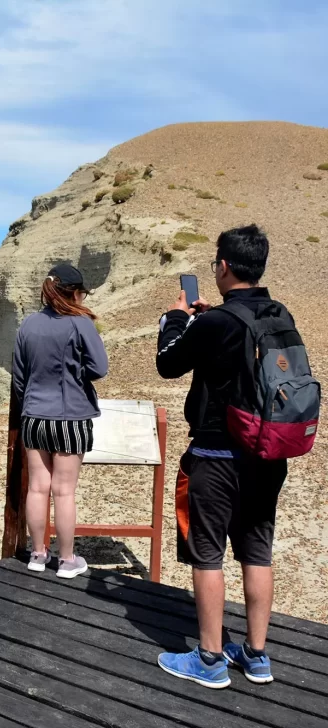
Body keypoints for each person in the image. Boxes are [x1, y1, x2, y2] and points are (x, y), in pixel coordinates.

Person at [156, 224, 291, 688]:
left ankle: (210, 659)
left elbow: (168, 363)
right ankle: (256, 656)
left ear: (225, 266)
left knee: (207, 553)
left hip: (216, 455)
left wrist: (175, 319)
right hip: (269, 455)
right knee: (257, 552)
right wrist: (209, 318)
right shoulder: (277, 313)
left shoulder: (216, 323)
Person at [13, 264, 108, 578]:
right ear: (75, 292)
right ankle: (67, 560)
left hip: (34, 416)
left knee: (38, 488)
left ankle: (38, 554)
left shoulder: (28, 325)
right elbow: (99, 367)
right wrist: (75, 373)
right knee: (64, 491)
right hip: (70, 415)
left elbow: (18, 378)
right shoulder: (79, 323)